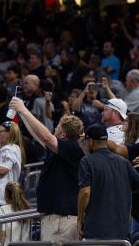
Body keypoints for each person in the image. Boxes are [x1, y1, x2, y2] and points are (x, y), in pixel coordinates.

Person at [8, 97, 84, 243]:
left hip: (63, 219)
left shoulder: (73, 149)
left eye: (57, 127)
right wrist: (22, 113)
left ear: (62, 135)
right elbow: (39, 135)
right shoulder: (59, 151)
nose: (54, 129)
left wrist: (23, 109)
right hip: (55, 217)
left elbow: (46, 137)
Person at [77, 124, 139, 240]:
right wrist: (124, 190)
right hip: (121, 233)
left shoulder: (87, 161)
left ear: (91, 142)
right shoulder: (123, 162)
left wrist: (79, 218)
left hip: (96, 233)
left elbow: (85, 192)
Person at [0, 121, 24, 206]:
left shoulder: (10, 148)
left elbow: (2, 170)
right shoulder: (6, 148)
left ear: (10, 133)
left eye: (1, 131)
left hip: (2, 198)